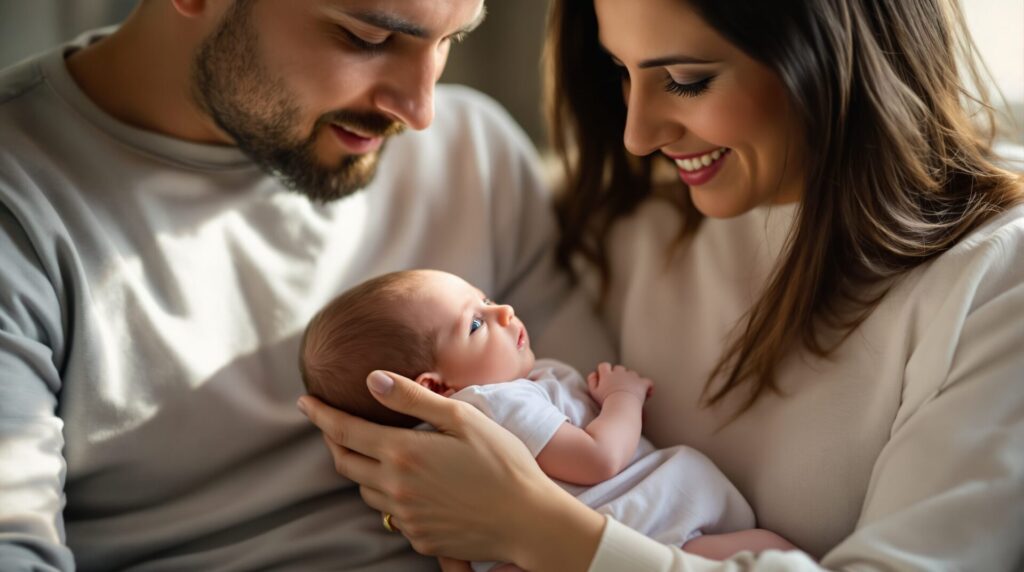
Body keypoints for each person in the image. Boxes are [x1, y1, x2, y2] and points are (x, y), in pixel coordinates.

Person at [298, 0, 1024, 570]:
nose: (637, 134)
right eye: (622, 71)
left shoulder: (994, 278)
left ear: (834, 54)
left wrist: (537, 530)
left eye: (686, 81)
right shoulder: (626, 216)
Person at [0, 0, 614, 570]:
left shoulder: (471, 154)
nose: (422, 111)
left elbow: (609, 460)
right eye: (366, 37)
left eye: (450, 38)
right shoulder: (23, 204)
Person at [299, 269, 796, 570]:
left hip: (601, 546)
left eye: (487, 300)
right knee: (770, 550)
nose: (503, 312)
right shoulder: (494, 404)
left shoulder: (486, 413)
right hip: (641, 526)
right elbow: (599, 460)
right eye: (475, 324)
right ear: (436, 389)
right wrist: (624, 398)